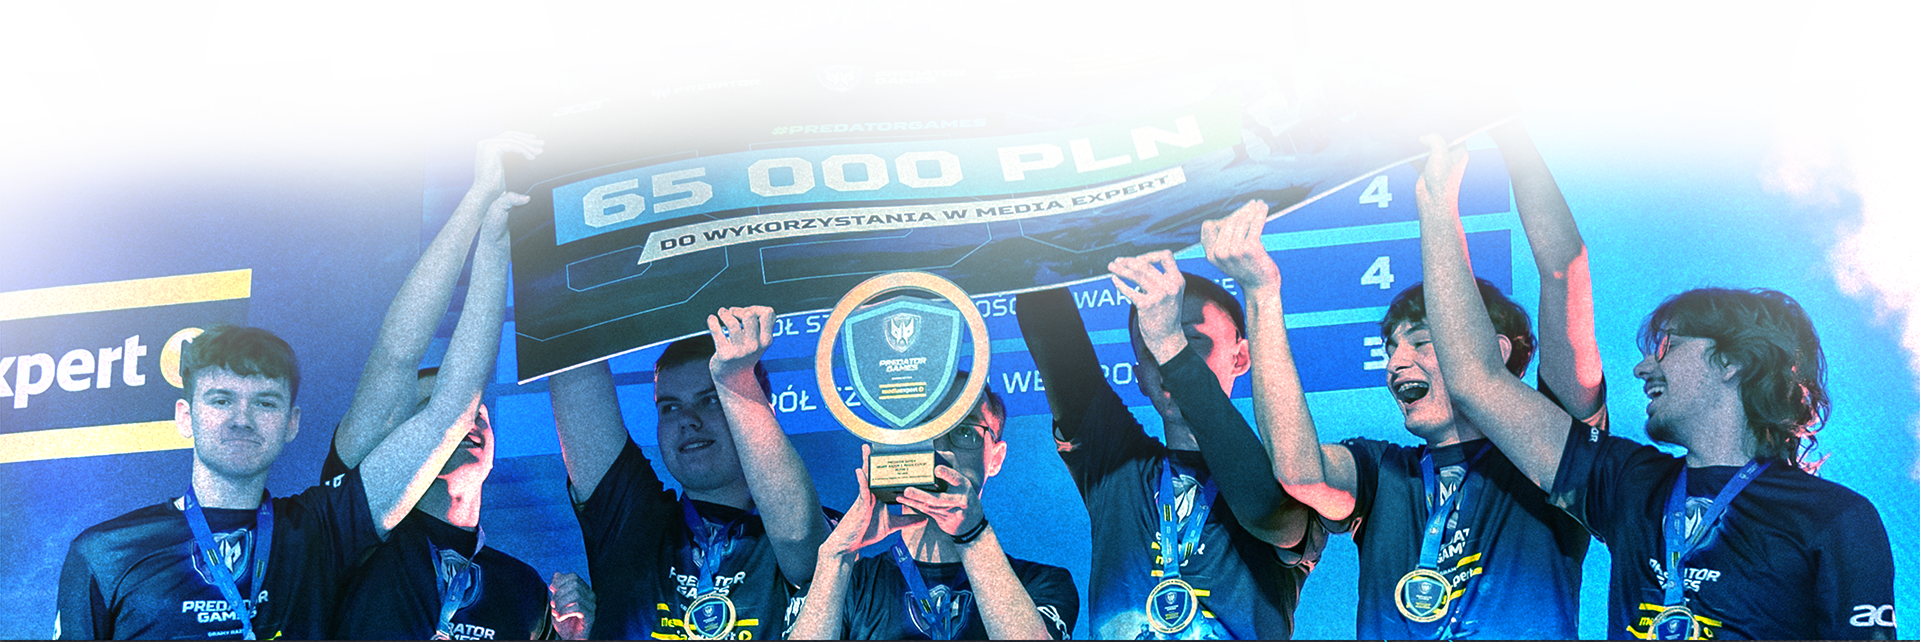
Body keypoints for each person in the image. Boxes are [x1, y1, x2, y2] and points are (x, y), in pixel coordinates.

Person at [1410, 127, 1898, 639]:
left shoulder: (1835, 517)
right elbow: (1476, 379)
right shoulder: (1629, 484)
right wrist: (1439, 200)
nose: (1643, 369)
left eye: (1667, 347)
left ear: (1732, 362)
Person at [1242, 36, 1602, 638]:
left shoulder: (1551, 451)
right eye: (1391, 348)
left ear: (1502, 349)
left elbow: (1564, 271)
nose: (1395, 362)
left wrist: (1503, 120)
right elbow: (1301, 474)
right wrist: (1261, 293)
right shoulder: (1383, 474)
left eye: (1421, 340)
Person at [54, 208, 514, 641]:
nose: (242, 418)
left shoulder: (320, 532)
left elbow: (447, 407)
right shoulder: (106, 552)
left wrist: (491, 235)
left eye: (265, 403)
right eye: (221, 400)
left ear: (292, 423)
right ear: (185, 417)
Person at [319, 131, 588, 639]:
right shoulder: (349, 531)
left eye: (478, 412)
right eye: (431, 413)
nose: (468, 420)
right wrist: (479, 205)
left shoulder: (526, 591)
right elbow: (395, 357)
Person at [1015, 259, 1323, 639]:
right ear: (1140, 377)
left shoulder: (1291, 476)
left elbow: (1266, 512)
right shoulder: (1116, 466)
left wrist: (1168, 345)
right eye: (1151, 347)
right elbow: (1045, 312)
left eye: (1190, 340)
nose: (1166, 360)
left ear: (1240, 357)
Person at [548, 305, 829, 639]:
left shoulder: (808, 530)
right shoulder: (631, 524)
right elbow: (567, 339)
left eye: (711, 400)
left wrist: (737, 380)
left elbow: (800, 543)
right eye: (670, 407)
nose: (687, 420)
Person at [790, 374, 1077, 640]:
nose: (939, 447)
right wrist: (835, 557)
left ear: (996, 458)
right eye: (923, 428)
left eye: (964, 430)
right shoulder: (846, 584)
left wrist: (973, 534)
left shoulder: (1042, 583)